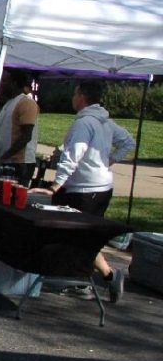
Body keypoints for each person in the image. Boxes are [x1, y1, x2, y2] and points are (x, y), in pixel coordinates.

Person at [34, 80, 135, 303]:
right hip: (100, 187)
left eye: (75, 93)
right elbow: (128, 142)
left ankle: (82, 281)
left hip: (85, 189)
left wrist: (54, 185)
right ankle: (106, 276)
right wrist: (107, 162)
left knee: (79, 236)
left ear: (82, 96)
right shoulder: (105, 122)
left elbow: (74, 155)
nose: (72, 97)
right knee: (85, 236)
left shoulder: (85, 123)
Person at [0, 68, 39, 185]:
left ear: (14, 83)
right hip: (7, 160)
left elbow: (26, 136)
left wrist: (5, 156)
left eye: (5, 81)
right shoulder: (9, 102)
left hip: (20, 163)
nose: (2, 85)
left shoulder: (26, 102)